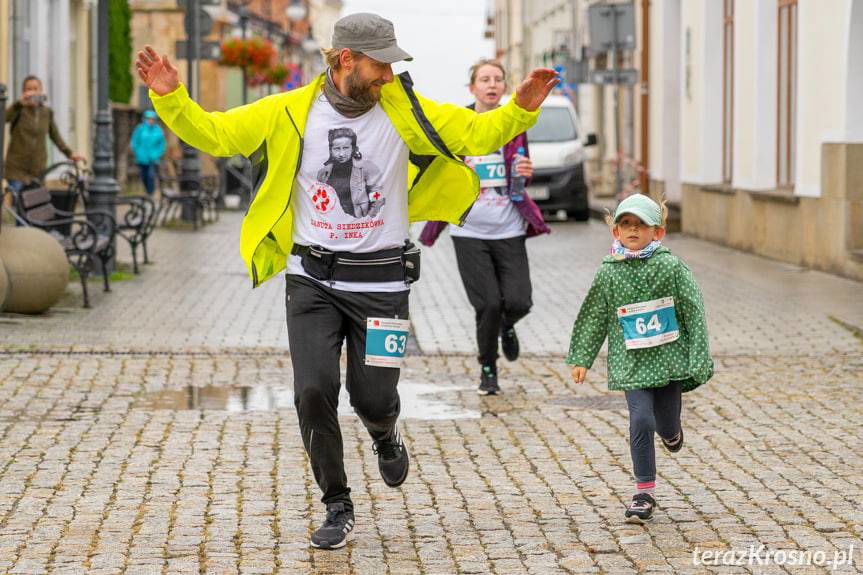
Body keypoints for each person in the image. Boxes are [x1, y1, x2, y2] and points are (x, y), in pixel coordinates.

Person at [135, 12, 557, 549]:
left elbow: (477, 132)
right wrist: (172, 98)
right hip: (311, 278)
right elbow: (218, 135)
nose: (387, 73)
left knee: (373, 397)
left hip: (382, 282)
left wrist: (520, 107)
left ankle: (385, 431)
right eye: (379, 63)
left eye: (391, 63)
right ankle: (337, 502)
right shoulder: (289, 111)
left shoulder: (408, 112)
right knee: (313, 392)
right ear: (343, 61)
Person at [566, 193, 713, 523]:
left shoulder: (671, 268)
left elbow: (693, 309)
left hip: (668, 358)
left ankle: (673, 434)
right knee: (641, 419)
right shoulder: (608, 273)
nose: (633, 230)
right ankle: (643, 493)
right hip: (630, 362)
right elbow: (594, 315)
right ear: (615, 232)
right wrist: (582, 358)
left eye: (641, 224)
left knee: (666, 422)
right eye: (626, 224)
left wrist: (698, 354)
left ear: (657, 233)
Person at [419, 59, 550, 395]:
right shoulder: (459, 123)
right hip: (469, 231)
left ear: (505, 87)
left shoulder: (514, 124)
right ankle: (488, 368)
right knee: (488, 303)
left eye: (498, 80)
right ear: (472, 87)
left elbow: (520, 170)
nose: (492, 85)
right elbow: (438, 166)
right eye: (485, 79)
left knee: (520, 301)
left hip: (508, 227)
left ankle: (507, 326)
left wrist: (524, 170)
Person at [4, 75, 83, 194]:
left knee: (35, 207)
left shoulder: (47, 113)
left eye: (35, 88)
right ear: (24, 92)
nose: (32, 92)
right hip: (16, 169)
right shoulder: (18, 110)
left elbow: (55, 136)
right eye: (28, 89)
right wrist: (18, 104)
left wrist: (70, 153)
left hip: (38, 170)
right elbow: (3, 118)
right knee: (18, 207)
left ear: (41, 90)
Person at [315, 127, 385, 218]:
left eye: (345, 148)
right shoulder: (323, 173)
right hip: (333, 224)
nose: (341, 154)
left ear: (354, 149)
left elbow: (377, 194)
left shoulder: (367, 168)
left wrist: (371, 215)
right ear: (330, 150)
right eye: (337, 149)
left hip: (360, 223)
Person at [130, 110, 166, 196]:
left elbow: (162, 144)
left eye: (152, 119)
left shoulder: (158, 130)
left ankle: (151, 192)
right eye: (149, 119)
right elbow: (135, 141)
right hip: (142, 157)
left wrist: (157, 154)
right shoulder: (140, 129)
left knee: (151, 175)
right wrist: (137, 152)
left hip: (153, 158)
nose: (150, 121)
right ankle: (147, 191)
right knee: (144, 176)